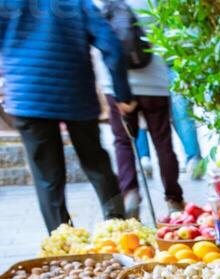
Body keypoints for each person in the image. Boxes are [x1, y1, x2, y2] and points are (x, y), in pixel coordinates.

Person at [0, 0, 134, 231]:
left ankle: (63, 242)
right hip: (75, 94)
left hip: (28, 95)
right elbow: (112, 45)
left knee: (48, 179)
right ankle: (119, 230)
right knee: (96, 163)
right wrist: (122, 94)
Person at [102, 0, 183, 215]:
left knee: (123, 142)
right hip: (155, 83)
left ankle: (130, 194)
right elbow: (173, 33)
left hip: (117, 86)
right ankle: (173, 198)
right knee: (163, 142)